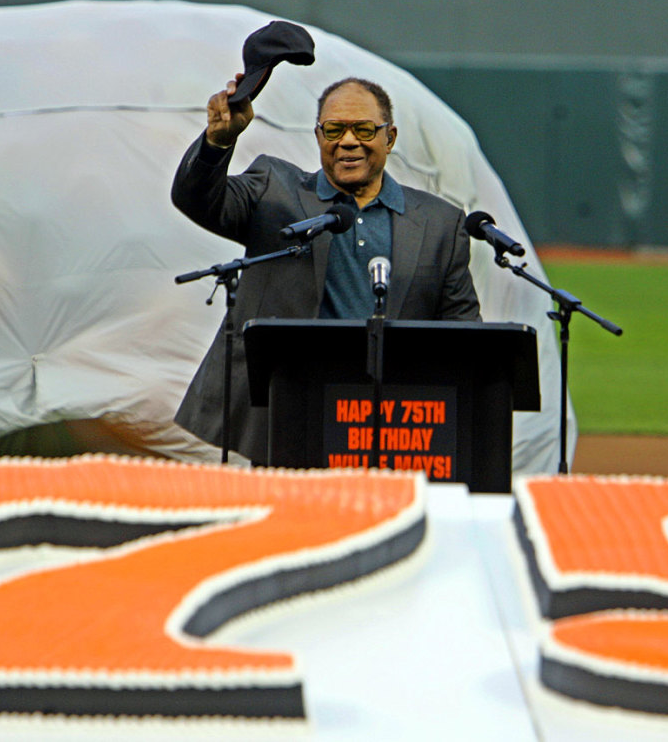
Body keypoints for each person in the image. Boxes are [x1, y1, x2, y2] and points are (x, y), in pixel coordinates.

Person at [170, 75, 481, 464]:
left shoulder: (440, 224)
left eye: (364, 129)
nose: (348, 141)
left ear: (390, 137)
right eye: (334, 129)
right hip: (290, 416)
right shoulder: (274, 189)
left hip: (396, 426)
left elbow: (466, 336)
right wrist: (218, 141)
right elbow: (196, 199)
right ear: (318, 136)